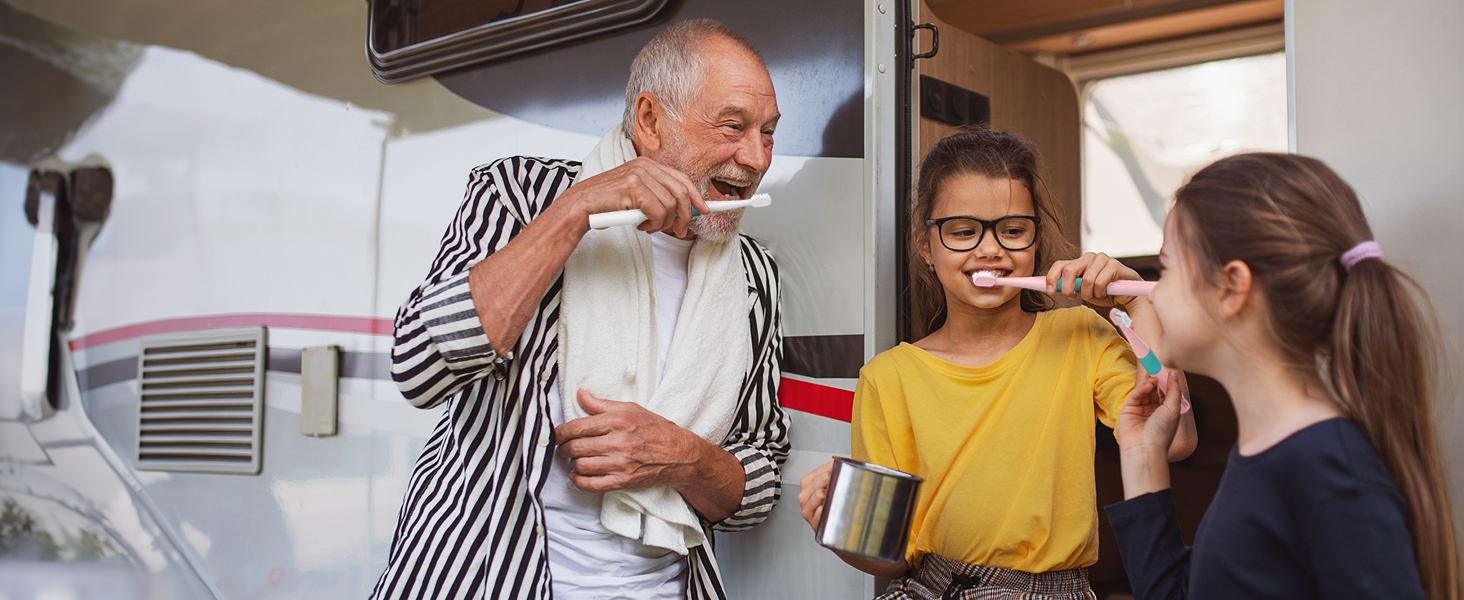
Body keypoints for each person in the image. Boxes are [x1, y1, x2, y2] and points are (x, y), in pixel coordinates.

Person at [370, 19, 790, 600]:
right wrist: (575, 212)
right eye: (733, 127)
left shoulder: (754, 275)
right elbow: (418, 366)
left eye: (768, 133)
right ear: (649, 120)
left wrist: (682, 457)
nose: (756, 157)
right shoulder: (516, 194)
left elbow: (761, 477)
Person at [796, 127, 1197, 599]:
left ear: (1036, 239)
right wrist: (840, 530)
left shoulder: (1080, 337)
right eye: (963, 231)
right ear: (925, 245)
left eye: (1012, 230)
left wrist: (1138, 306)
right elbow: (893, 554)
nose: (990, 250)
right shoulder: (888, 378)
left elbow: (1177, 440)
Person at [1106, 153, 1460, 599]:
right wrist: (1142, 456)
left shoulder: (1328, 470)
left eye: (1169, 268)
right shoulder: (1267, 453)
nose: (1155, 291)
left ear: (1232, 287)